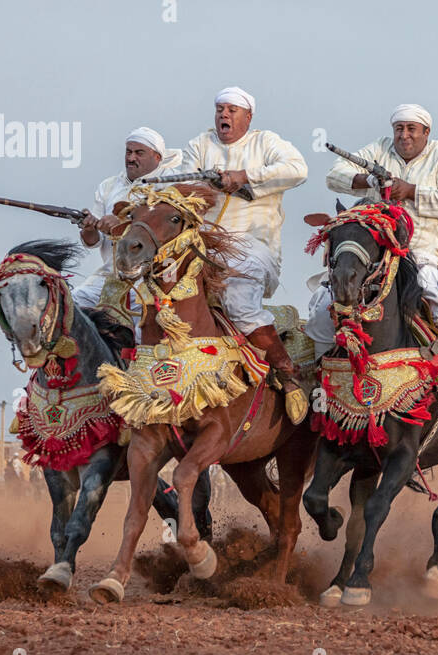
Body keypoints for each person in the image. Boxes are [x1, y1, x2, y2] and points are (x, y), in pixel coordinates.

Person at [309, 103, 438, 433]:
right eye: (399, 129)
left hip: (430, 254)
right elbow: (334, 175)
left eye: (411, 129)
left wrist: (410, 191)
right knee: (324, 311)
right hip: (378, 257)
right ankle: (320, 383)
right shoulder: (377, 149)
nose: (404, 135)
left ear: (426, 133)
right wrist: (366, 179)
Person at [178, 87, 310, 422]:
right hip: (202, 245)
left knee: (238, 301)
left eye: (232, 110)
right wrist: (204, 190)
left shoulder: (266, 143)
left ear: (248, 117)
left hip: (252, 247)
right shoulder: (200, 145)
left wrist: (244, 177)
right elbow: (179, 185)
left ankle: (286, 371)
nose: (224, 115)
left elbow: (298, 169)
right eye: (220, 109)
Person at [72, 127, 179, 334]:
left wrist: (122, 223)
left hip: (153, 274)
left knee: (145, 331)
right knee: (73, 303)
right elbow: (92, 242)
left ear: (157, 157)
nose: (131, 158)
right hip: (112, 273)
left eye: (139, 153)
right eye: (128, 152)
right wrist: (89, 228)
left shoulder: (169, 182)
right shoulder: (108, 186)